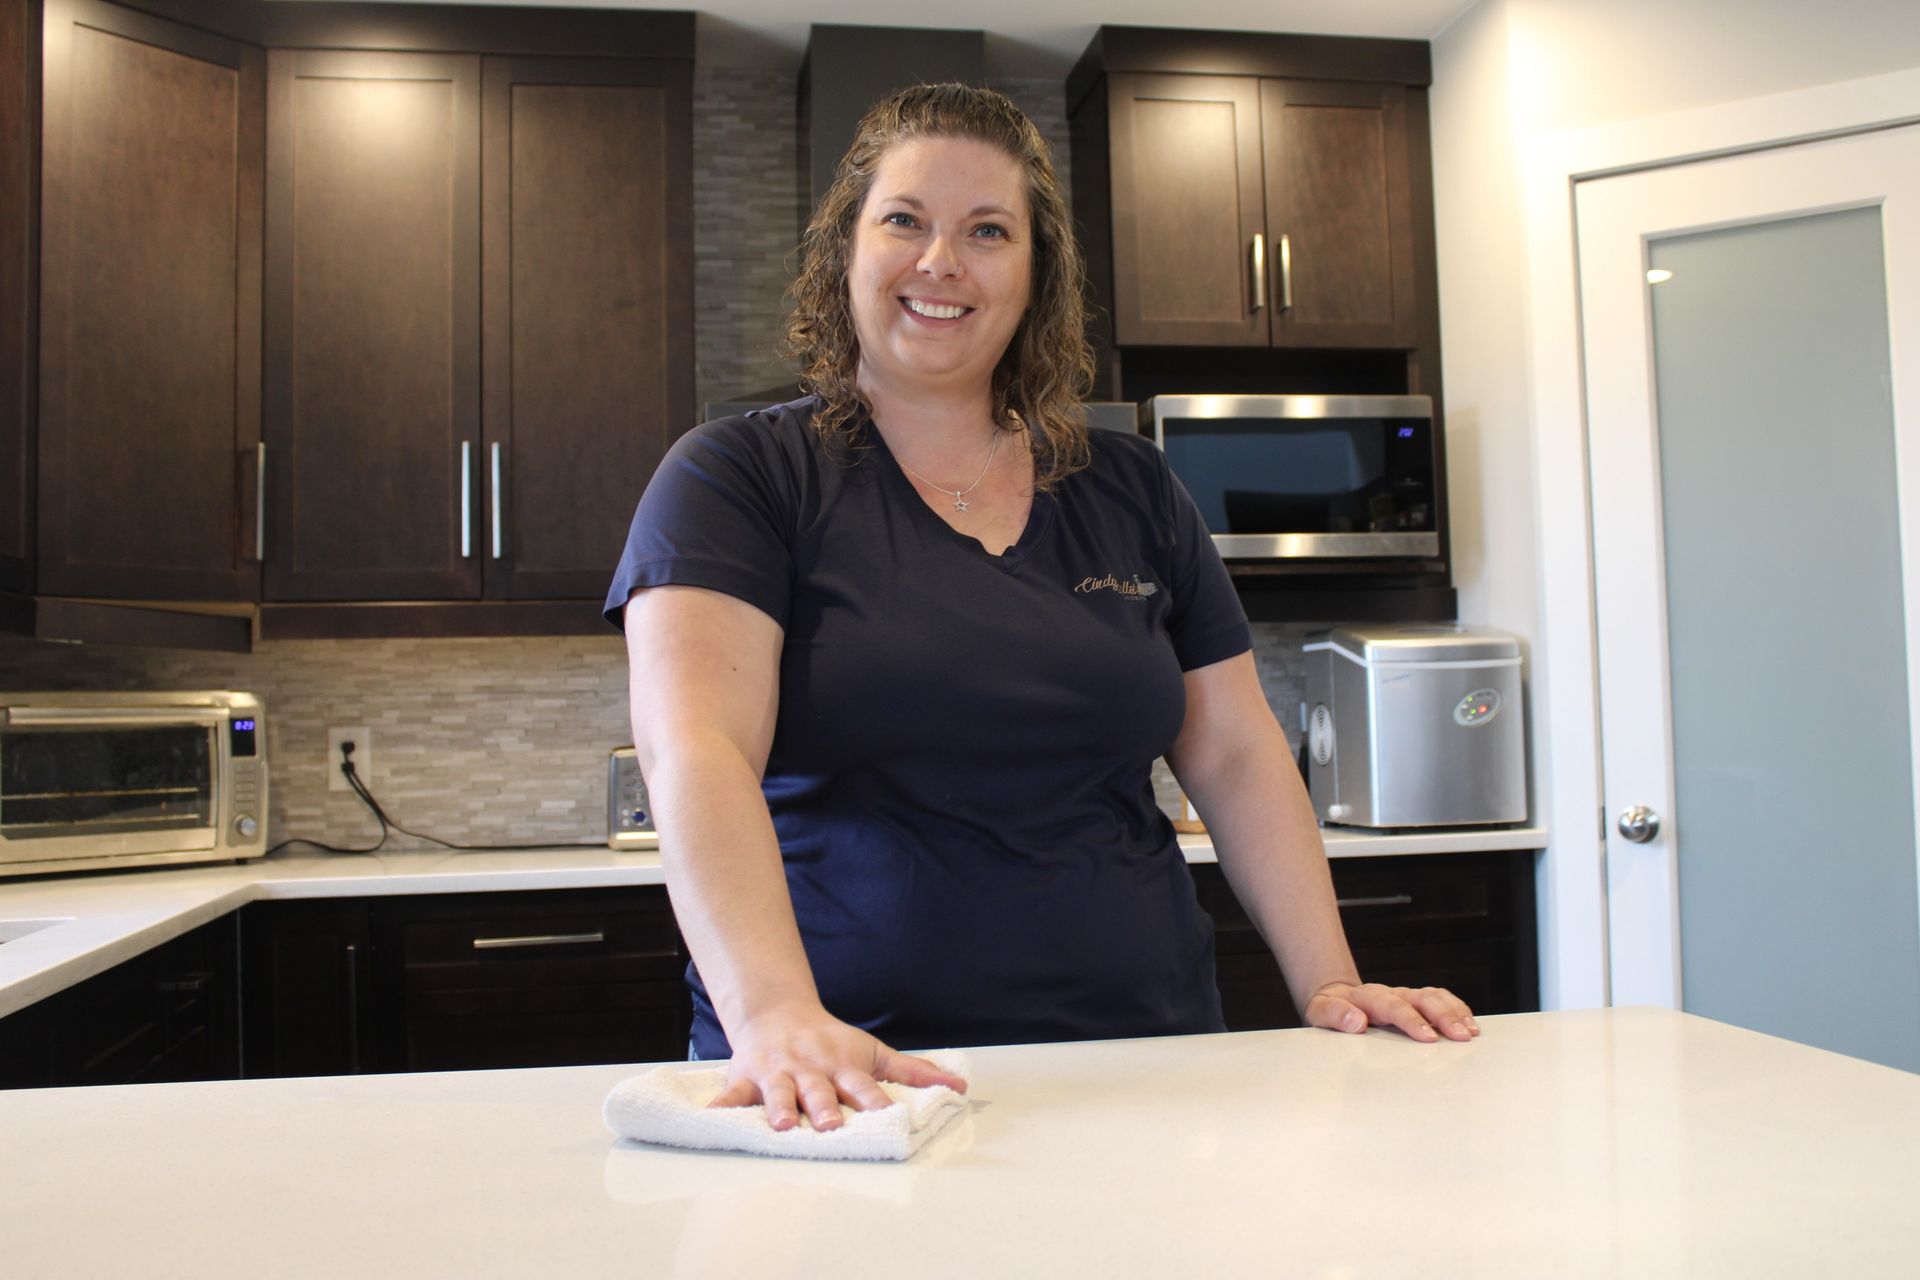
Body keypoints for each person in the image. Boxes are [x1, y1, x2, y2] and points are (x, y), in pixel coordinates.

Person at [606, 83, 1478, 1134]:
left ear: (1034, 278)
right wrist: (775, 1012)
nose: (942, 260)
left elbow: (1240, 755)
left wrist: (1330, 983)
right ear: (847, 248)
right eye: (905, 221)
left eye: (987, 230)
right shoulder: (740, 475)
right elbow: (695, 747)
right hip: (849, 1079)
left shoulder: (1132, 487)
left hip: (1147, 1065)